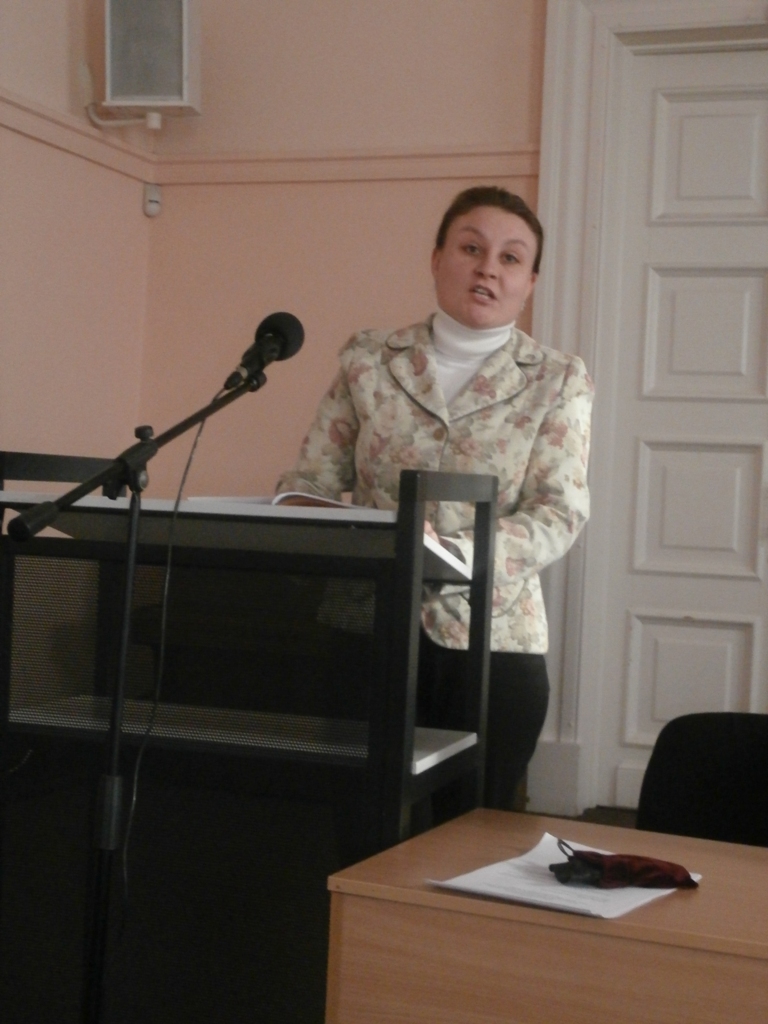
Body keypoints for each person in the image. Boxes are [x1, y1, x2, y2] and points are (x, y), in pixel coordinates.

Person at [276, 185, 593, 811]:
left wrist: (453, 553)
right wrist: (312, 516)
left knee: (472, 840)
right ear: (437, 258)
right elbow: (309, 483)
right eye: (471, 248)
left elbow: (559, 512)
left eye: (510, 258)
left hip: (494, 645)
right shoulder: (368, 360)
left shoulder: (558, 379)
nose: (487, 269)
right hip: (365, 629)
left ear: (530, 282)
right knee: (358, 828)